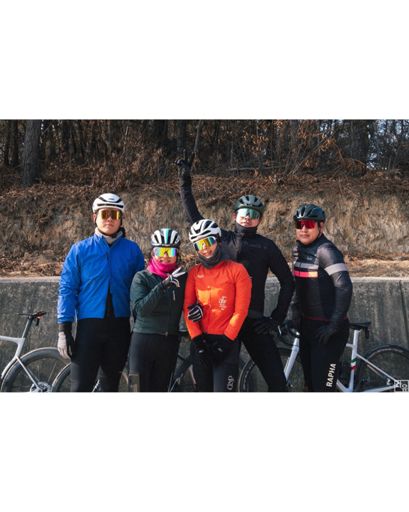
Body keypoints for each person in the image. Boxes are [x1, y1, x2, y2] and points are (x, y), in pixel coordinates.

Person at [177, 159, 294, 391]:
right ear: (234, 215)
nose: (247, 217)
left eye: (253, 214)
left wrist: (275, 319)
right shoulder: (221, 238)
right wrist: (184, 183)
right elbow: (195, 219)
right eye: (243, 212)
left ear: (260, 219)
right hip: (221, 323)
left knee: (277, 382)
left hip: (251, 320)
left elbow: (288, 282)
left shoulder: (266, 246)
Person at [57, 193, 145, 391]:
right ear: (94, 217)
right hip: (89, 329)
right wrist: (64, 330)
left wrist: (141, 327)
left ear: (121, 219)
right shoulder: (79, 250)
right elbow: (67, 289)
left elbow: (140, 292)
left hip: (119, 329)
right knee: (80, 387)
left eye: (115, 214)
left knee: (110, 388)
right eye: (104, 214)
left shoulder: (133, 251)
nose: (109, 219)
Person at [287, 203, 353, 391]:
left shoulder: (326, 251)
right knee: (310, 386)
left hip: (329, 330)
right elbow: (298, 285)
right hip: (308, 327)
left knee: (323, 390)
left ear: (321, 226)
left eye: (309, 224)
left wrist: (333, 325)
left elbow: (344, 286)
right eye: (299, 224)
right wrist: (294, 315)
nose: (304, 229)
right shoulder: (297, 250)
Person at [184, 218, 252, 392]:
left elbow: (241, 311)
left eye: (208, 241)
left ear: (218, 240)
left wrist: (226, 341)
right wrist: (198, 342)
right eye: (199, 245)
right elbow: (188, 309)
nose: (205, 248)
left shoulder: (237, 270)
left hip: (226, 343)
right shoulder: (194, 273)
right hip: (201, 343)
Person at [128, 228, 187, 392]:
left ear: (177, 254)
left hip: (168, 344)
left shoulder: (183, 278)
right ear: (153, 253)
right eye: (160, 251)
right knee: (135, 391)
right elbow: (141, 310)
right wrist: (163, 285)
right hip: (143, 342)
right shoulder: (141, 277)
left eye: (170, 251)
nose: (165, 256)